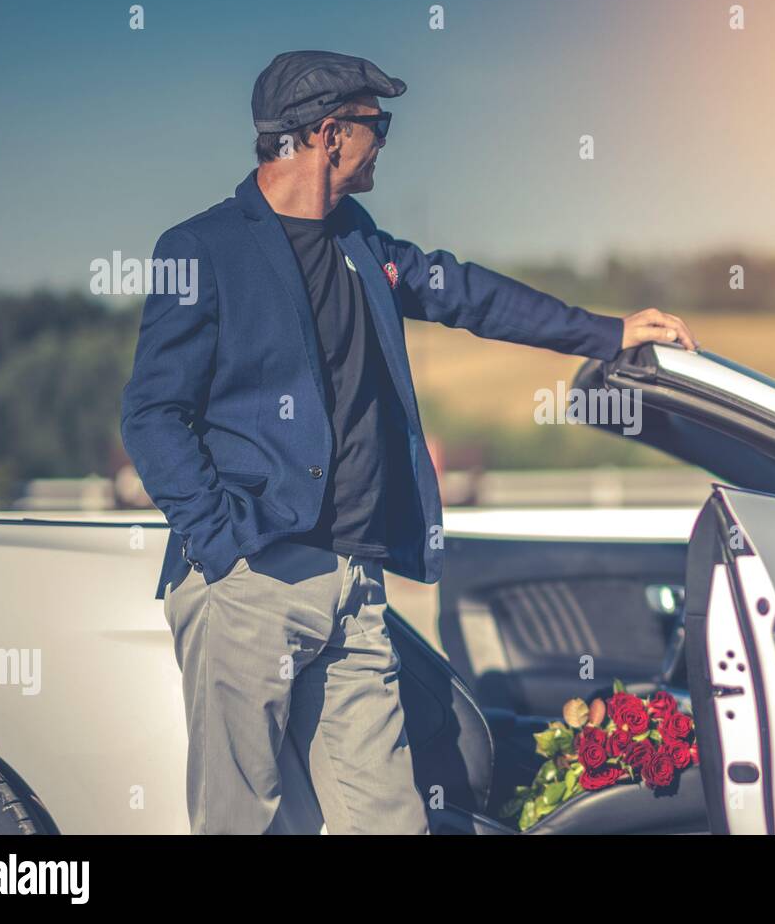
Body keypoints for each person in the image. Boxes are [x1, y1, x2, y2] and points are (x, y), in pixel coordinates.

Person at [119, 50, 696, 835]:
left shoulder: (361, 243)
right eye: (374, 124)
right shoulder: (203, 249)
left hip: (354, 585)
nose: (383, 141)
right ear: (326, 135)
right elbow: (153, 415)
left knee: (388, 821)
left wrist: (607, 331)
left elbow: (469, 294)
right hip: (249, 579)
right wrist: (223, 545)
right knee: (244, 821)